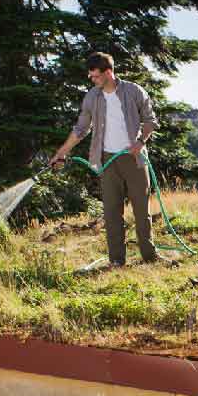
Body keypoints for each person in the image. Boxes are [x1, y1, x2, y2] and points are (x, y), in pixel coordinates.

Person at [49, 52, 159, 266]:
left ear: (108, 72)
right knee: (111, 213)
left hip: (134, 157)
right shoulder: (92, 97)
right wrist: (61, 152)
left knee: (141, 210)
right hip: (106, 160)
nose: (92, 80)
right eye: (90, 77)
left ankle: (150, 256)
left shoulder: (134, 91)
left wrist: (141, 142)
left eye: (95, 76)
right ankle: (117, 261)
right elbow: (81, 129)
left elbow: (149, 120)